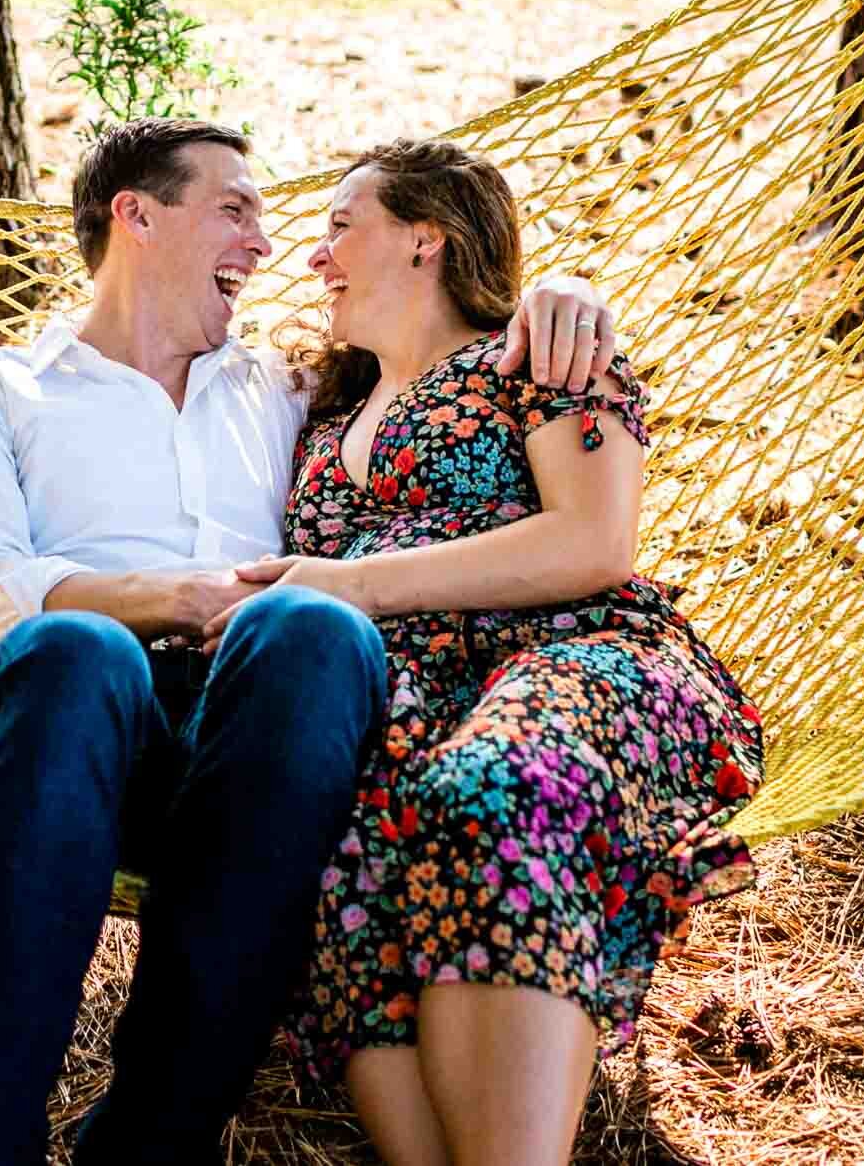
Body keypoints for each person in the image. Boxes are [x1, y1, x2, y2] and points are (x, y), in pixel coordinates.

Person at [0, 118, 621, 1166]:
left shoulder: (291, 392)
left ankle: (153, 1142)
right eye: (234, 210)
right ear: (135, 216)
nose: (265, 244)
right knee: (78, 653)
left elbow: (444, 347)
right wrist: (172, 599)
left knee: (310, 625)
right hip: (66, 746)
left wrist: (564, 289)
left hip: (261, 752)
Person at [202, 138, 764, 1166]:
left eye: (338, 225)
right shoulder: (309, 409)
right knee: (344, 863)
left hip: (576, 659)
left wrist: (352, 584)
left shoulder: (536, 356)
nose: (313, 255)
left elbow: (593, 543)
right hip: (396, 700)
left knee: (488, 784)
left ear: (425, 238)